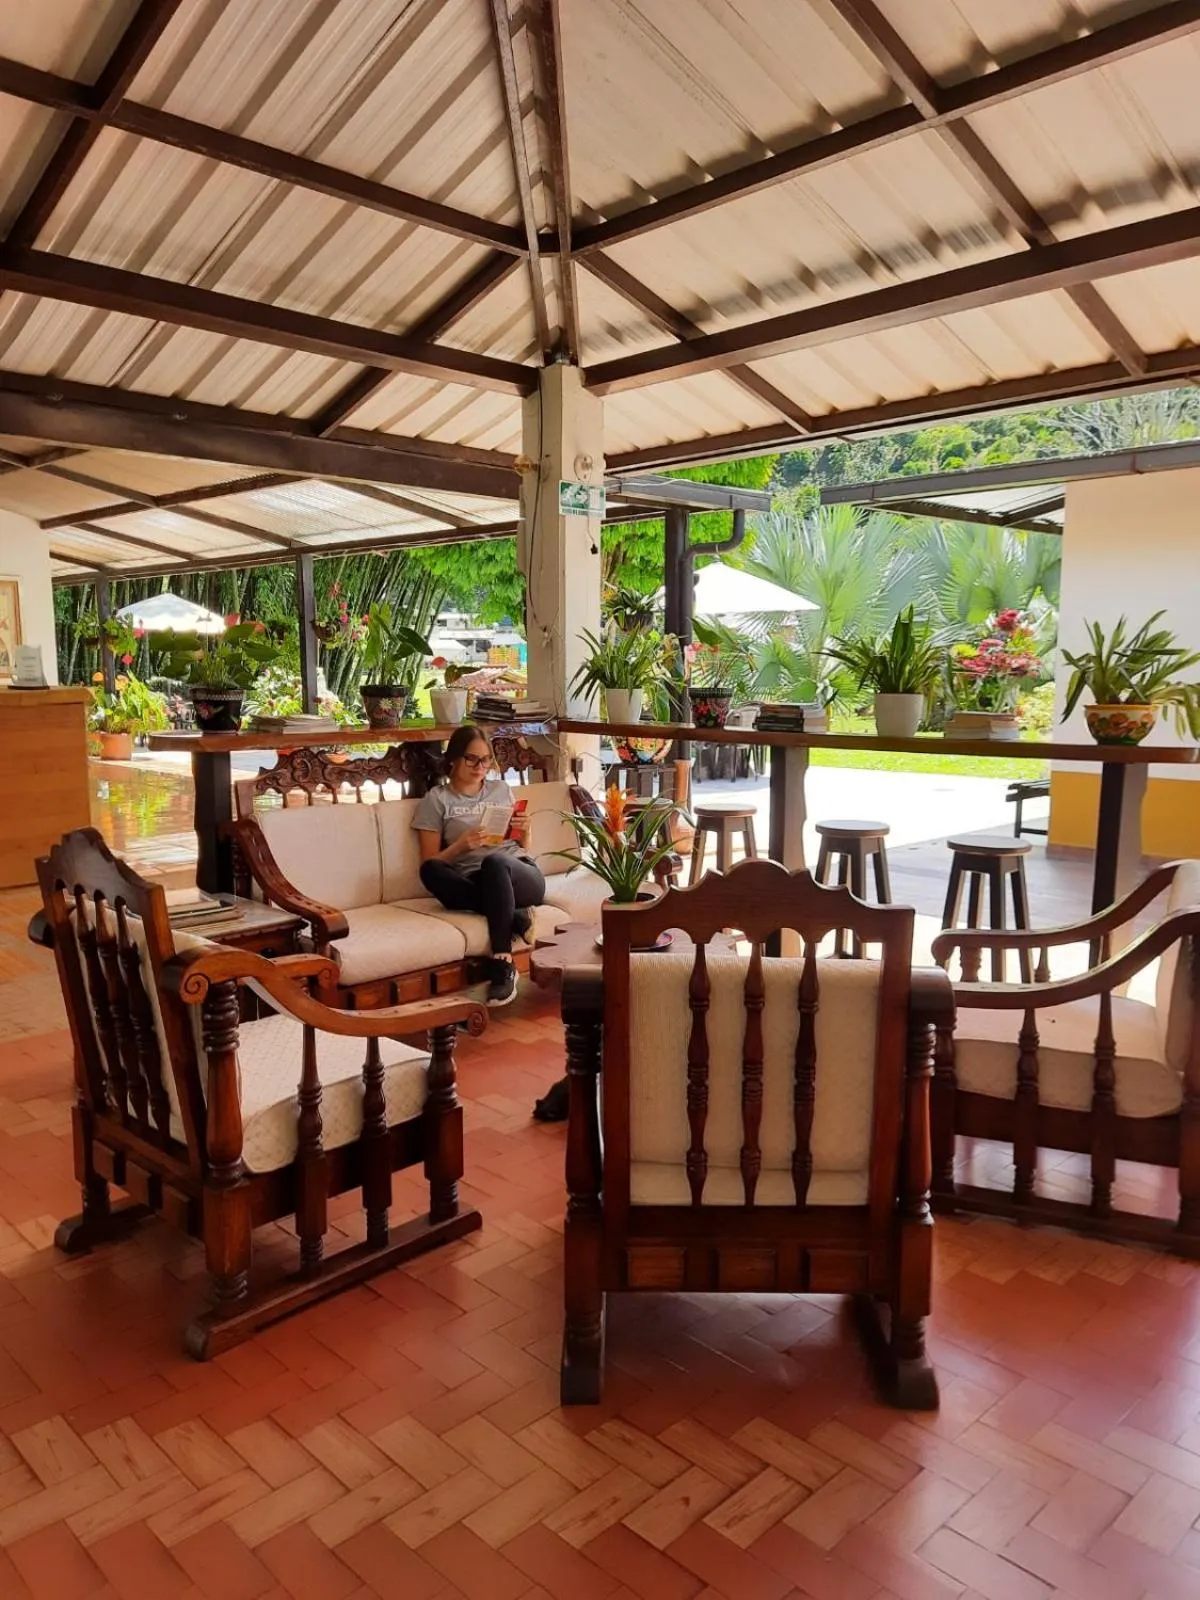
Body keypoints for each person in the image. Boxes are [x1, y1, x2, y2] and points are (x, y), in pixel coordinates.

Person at [413, 725, 546, 1006]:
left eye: (485, 760)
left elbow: (523, 848)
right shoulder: (437, 800)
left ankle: (502, 964)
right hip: (476, 881)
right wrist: (462, 845)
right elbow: (430, 861)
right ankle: (516, 915)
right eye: (472, 759)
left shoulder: (500, 790)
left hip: (520, 873)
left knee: (496, 861)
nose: (480, 766)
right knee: (429, 872)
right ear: (454, 759)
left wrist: (527, 829)